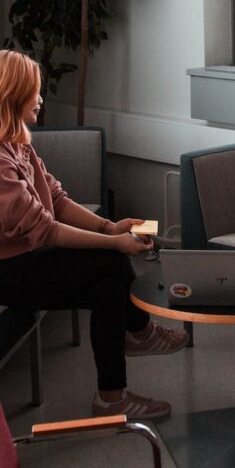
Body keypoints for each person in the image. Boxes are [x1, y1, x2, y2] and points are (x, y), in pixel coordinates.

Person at [0, 50, 188, 419]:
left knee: (109, 291)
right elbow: (45, 229)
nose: (40, 99)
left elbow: (55, 197)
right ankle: (142, 331)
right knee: (111, 257)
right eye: (34, 92)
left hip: (28, 261)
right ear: (13, 96)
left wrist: (108, 226)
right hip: (8, 274)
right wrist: (114, 242)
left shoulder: (18, 143)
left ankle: (111, 398)